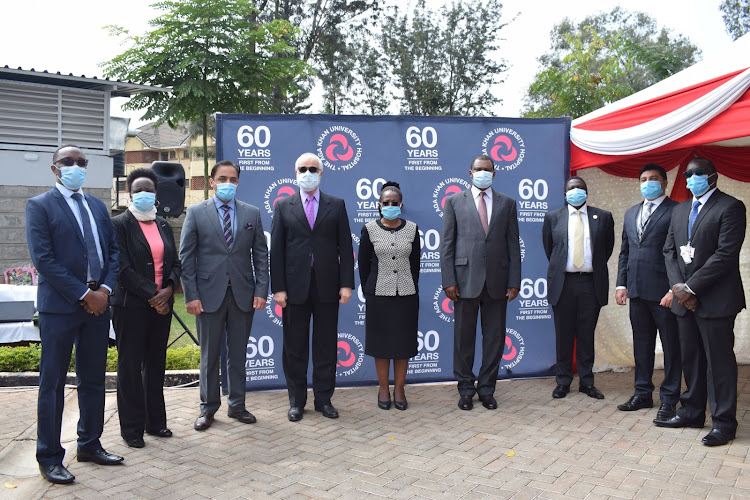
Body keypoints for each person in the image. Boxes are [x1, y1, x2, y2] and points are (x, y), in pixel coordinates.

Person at [26, 145, 123, 484]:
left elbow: (112, 252)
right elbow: (44, 260)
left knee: (93, 379)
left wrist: (104, 292)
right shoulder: (39, 206)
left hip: (98, 305)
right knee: (51, 384)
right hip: (60, 307)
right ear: (55, 169)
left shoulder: (97, 205)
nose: (76, 167)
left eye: (81, 162)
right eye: (69, 162)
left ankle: (90, 443)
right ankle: (49, 456)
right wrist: (84, 294)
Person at [656, 158, 746, 447]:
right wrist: (678, 288)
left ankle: (723, 423)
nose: (692, 177)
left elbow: (725, 254)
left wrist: (690, 287)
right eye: (688, 173)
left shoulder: (731, 207)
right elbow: (669, 251)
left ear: (713, 177)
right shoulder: (680, 209)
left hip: (716, 299)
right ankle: (692, 412)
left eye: (699, 173)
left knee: (718, 362)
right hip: (684, 299)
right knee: (691, 359)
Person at [180, 160, 269, 431]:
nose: (227, 184)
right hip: (207, 296)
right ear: (212, 181)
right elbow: (186, 257)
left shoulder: (251, 213)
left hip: (243, 294)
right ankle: (208, 409)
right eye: (222, 178)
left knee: (238, 354)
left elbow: (261, 256)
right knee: (209, 355)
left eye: (232, 179)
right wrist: (191, 295)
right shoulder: (196, 212)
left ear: (238, 182)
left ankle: (237, 405)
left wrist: (261, 289)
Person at [271, 152, 354, 422]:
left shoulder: (337, 205)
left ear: (321, 173)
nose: (307, 172)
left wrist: (346, 285)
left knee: (326, 346)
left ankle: (323, 400)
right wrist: (278, 288)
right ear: (295, 173)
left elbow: (345, 247)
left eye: (313, 169)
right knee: (294, 347)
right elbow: (277, 252)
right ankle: (296, 401)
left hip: (328, 287)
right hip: (294, 289)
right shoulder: (283, 206)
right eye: (302, 168)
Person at [440, 155, 521, 411]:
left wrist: (514, 280)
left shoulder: (507, 203)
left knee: (494, 340)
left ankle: (487, 389)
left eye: (487, 170)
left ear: (494, 174)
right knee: (463, 339)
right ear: (470, 172)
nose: (483, 173)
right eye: (478, 169)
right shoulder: (454, 202)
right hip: (464, 282)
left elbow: (513, 245)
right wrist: (449, 280)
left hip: (497, 281)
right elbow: (447, 245)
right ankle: (465, 389)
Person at [110, 168, 182, 448]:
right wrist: (155, 295)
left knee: (155, 365)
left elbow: (175, 264)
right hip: (130, 306)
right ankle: (132, 429)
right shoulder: (119, 224)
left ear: (156, 193)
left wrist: (169, 289)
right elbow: (121, 268)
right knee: (129, 367)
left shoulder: (163, 225)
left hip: (160, 308)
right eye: (138, 190)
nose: (144, 195)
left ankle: (156, 423)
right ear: (130, 193)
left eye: (148, 190)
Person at [615, 164, 681, 420]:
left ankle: (669, 399)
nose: (648, 183)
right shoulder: (632, 213)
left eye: (654, 179)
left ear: (665, 183)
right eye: (643, 179)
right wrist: (622, 284)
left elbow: (677, 254)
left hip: (665, 295)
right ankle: (642, 393)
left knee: (671, 348)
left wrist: (673, 290)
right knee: (642, 346)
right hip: (637, 293)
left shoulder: (676, 210)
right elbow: (625, 252)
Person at [542, 176, 614, 400]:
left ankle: (587, 382)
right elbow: (550, 249)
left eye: (580, 188)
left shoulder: (603, 216)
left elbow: (606, 249)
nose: (576, 191)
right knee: (563, 335)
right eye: (572, 189)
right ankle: (563, 381)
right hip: (563, 283)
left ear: (587, 192)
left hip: (590, 283)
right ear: (565, 195)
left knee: (586, 334)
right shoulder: (553, 217)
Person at [358, 182, 420, 411]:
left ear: (401, 205)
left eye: (395, 203)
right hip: (378, 295)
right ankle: (383, 388)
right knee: (381, 344)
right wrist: (369, 289)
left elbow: (416, 264)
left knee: (403, 344)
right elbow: (363, 264)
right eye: (386, 203)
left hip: (406, 295)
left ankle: (400, 388)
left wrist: (409, 284)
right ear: (379, 205)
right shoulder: (369, 229)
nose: (390, 206)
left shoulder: (412, 229)